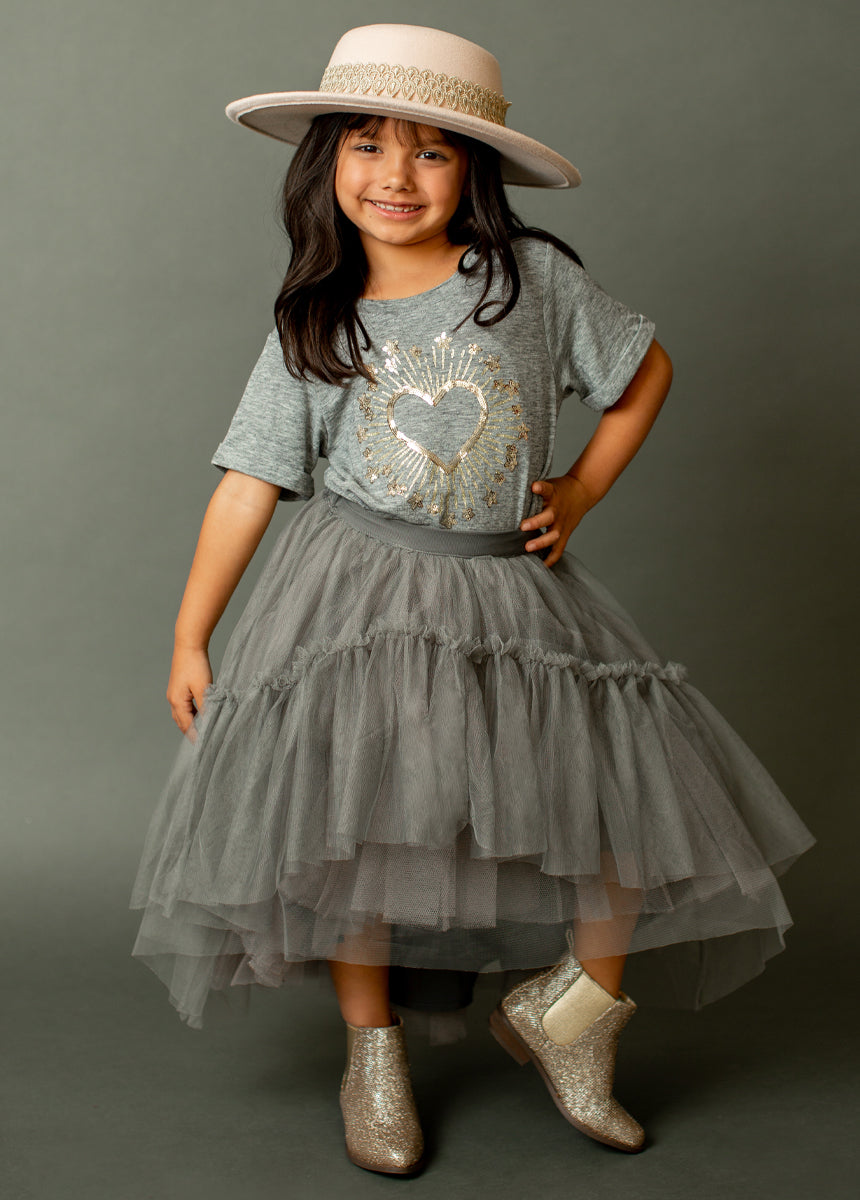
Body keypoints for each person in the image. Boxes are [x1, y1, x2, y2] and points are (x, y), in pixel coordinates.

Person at [130, 23, 815, 1176]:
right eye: (365, 145)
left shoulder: (528, 280)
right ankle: (373, 1052)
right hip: (358, 601)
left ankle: (573, 1020)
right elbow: (248, 483)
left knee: (604, 807)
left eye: (430, 151)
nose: (394, 175)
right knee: (359, 824)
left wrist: (580, 489)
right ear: (325, 164)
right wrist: (191, 633)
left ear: (474, 170)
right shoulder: (317, 319)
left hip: (509, 596)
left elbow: (642, 371)